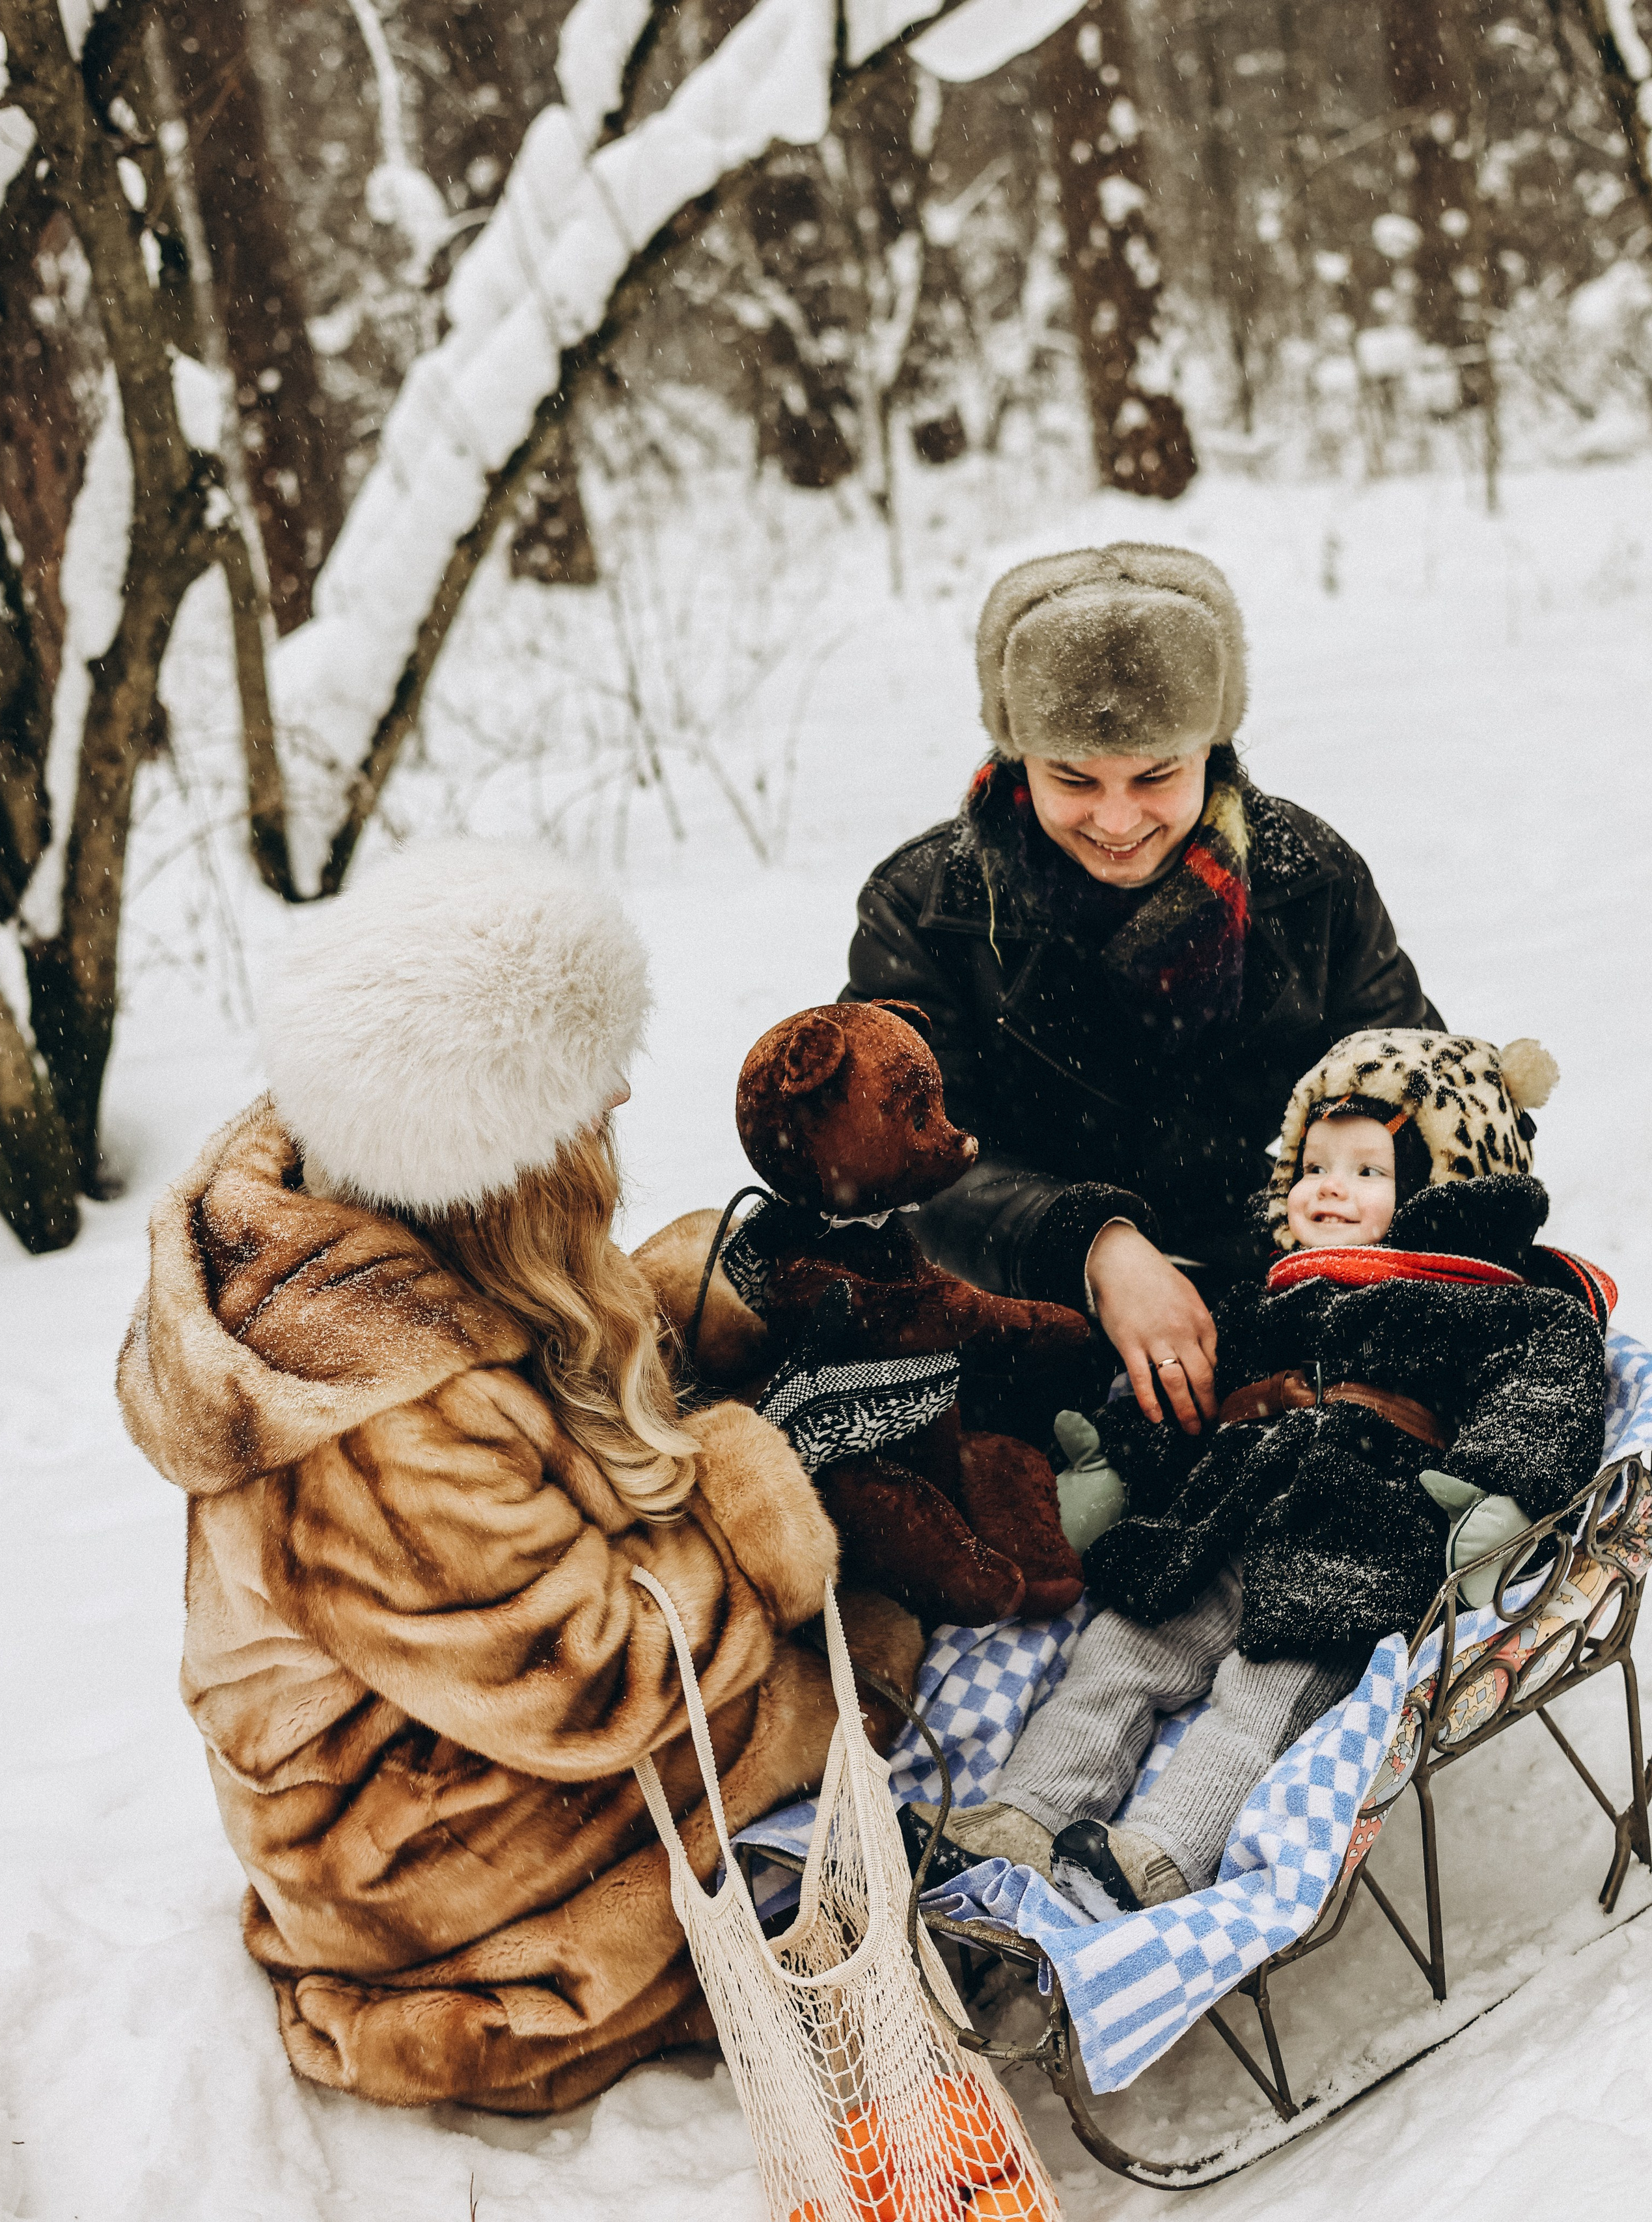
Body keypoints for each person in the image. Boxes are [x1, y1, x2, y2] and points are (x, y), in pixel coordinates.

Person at [117, 841, 921, 2115]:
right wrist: (740, 1509)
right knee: (858, 1670)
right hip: (405, 1849)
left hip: (446, 1709)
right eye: (584, 1106)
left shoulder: (365, 1203)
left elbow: (513, 1376)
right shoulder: (384, 1424)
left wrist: (680, 1302)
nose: (612, 1113)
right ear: (492, 1160)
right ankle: (544, 1984)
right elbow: (594, 1684)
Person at [906, 1029, 1610, 1913]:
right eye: (1314, 1163)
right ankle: (1022, 1814)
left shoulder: (1492, 1306)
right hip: (1218, 1518)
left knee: (1262, 1701)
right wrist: (1120, 1466)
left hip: (1358, 1537)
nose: (1327, 1184)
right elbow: (1194, 1396)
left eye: (1365, 1170)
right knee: (1116, 1657)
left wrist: (1500, 1490)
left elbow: (1545, 1388)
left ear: (1436, 1185)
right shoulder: (1268, 1295)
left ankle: (1157, 1856)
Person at [842, 542, 1442, 1444]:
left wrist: (1337, 1247)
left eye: (1156, 774)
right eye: (1074, 778)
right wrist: (1092, 1242)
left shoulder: (1311, 881)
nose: (1117, 821)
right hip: (1023, 1337)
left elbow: (1423, 1102)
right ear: (1017, 755)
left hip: (1292, 1314)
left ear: (1214, 746)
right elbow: (893, 1167)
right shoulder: (924, 908)